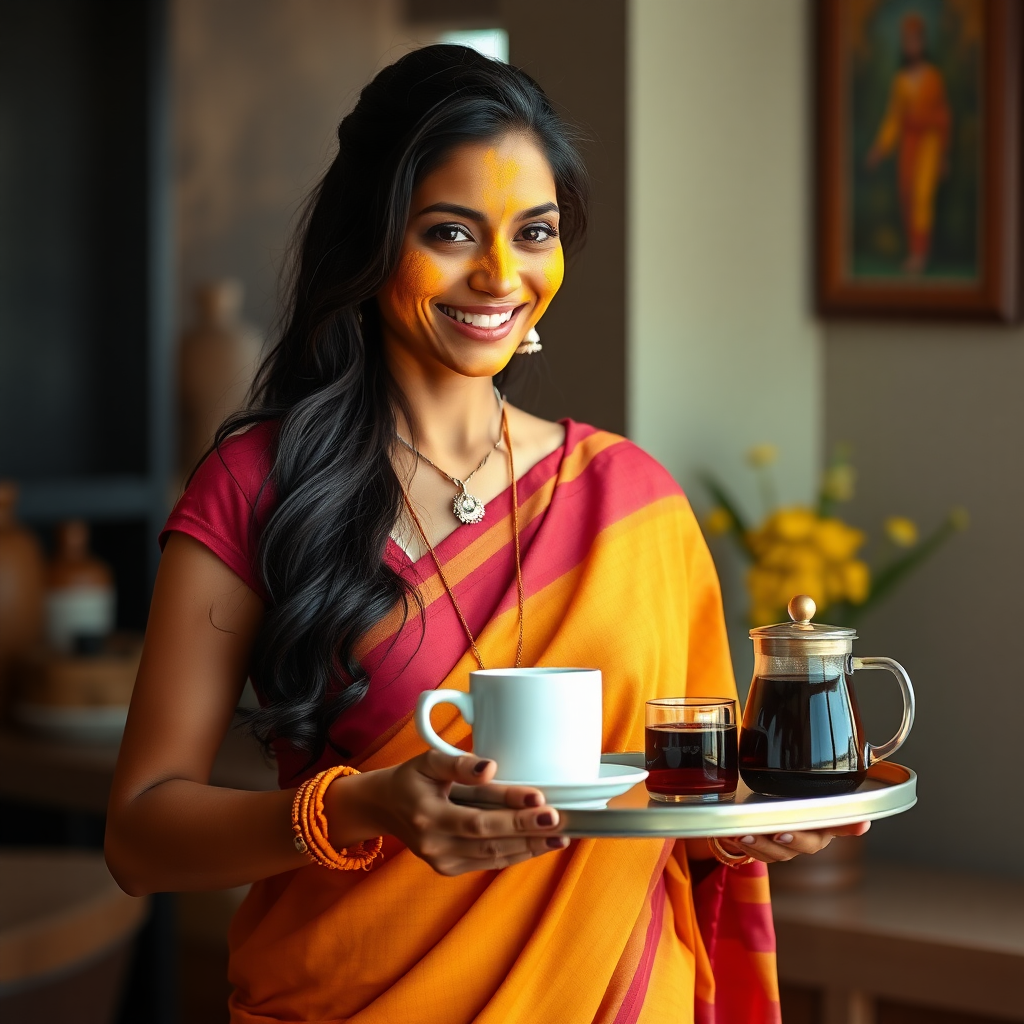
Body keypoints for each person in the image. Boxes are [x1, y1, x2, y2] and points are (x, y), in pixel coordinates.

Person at [105, 45, 867, 1024]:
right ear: (370, 242)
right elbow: (139, 836)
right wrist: (356, 806)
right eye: (452, 232)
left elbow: (691, 801)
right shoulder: (259, 486)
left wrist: (753, 830)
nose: (500, 275)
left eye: (534, 233)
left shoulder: (632, 501)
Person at [866, 12, 952, 274]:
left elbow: (943, 116)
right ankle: (913, 252)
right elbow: (894, 117)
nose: (912, 45)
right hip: (908, 145)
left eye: (916, 40)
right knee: (906, 195)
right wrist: (880, 148)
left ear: (923, 43)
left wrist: (943, 155)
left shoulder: (933, 77)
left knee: (922, 197)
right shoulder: (901, 80)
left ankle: (919, 256)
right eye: (907, 41)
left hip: (929, 143)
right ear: (904, 45)